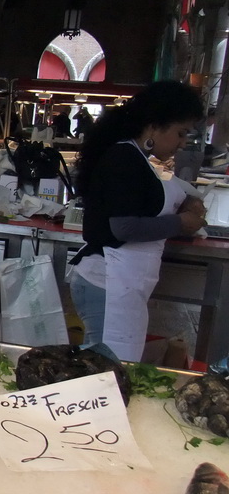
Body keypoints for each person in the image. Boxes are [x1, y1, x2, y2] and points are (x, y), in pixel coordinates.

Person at [69, 81, 206, 361]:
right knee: (105, 369)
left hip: (116, 280)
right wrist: (182, 222)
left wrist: (186, 201)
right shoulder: (125, 158)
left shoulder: (134, 157)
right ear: (155, 125)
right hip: (106, 279)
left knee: (110, 366)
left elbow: (143, 200)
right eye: (180, 133)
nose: (182, 144)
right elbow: (124, 226)